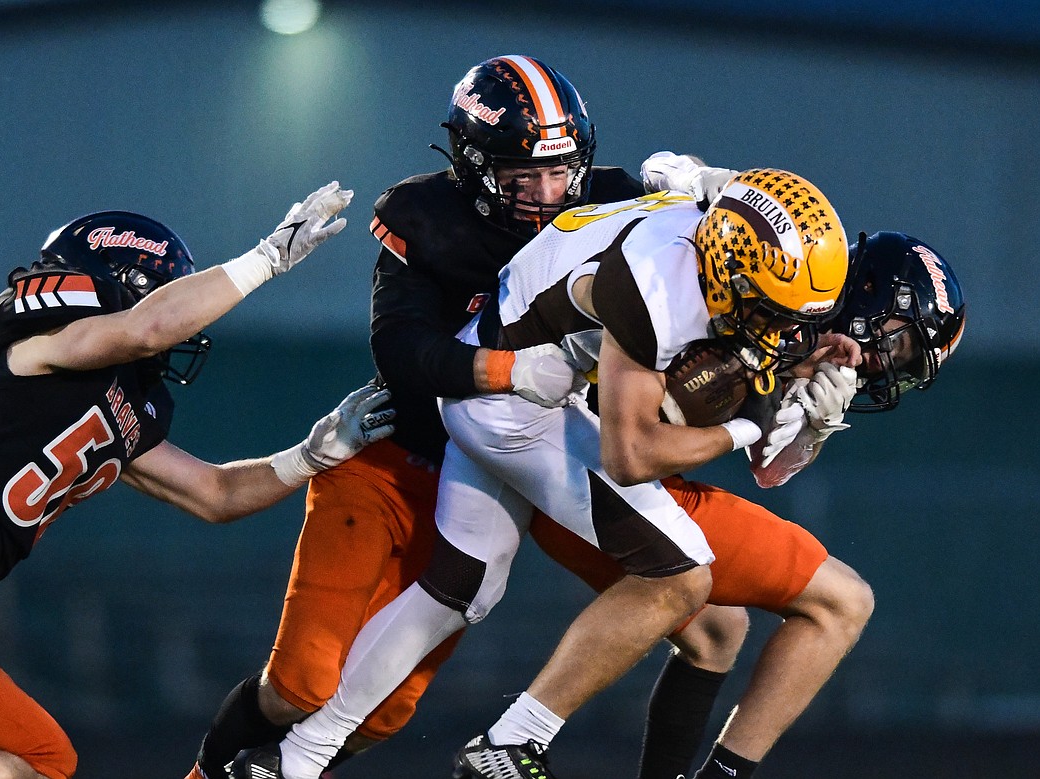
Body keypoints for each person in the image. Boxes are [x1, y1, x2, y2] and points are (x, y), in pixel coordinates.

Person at [185, 55, 735, 779]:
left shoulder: (606, 194)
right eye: (521, 177)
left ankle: (287, 767)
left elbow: (702, 225)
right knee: (300, 686)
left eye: (559, 171)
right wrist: (510, 370)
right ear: (475, 167)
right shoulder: (426, 217)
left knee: (389, 706)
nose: (546, 193)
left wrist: (699, 181)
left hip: (492, 460)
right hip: (393, 454)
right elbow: (402, 349)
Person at [249, 166, 851, 779]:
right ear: (728, 265)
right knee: (682, 576)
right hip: (513, 404)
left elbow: (698, 176)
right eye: (769, 310)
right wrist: (751, 425)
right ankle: (512, 743)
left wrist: (796, 374)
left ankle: (297, 756)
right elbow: (632, 457)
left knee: (461, 587)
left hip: (500, 375)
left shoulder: (704, 221)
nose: (778, 330)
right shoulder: (657, 288)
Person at [0, 183, 398, 779]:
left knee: (39, 760)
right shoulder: (39, 338)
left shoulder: (114, 402)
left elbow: (214, 493)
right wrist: (266, 259)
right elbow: (145, 330)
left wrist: (309, 455)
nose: (179, 332)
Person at [536, 229, 966, 779]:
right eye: (899, 343)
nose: (891, 364)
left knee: (717, 631)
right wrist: (761, 403)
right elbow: (675, 417)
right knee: (843, 603)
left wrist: (811, 427)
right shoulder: (771, 290)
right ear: (876, 298)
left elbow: (768, 465)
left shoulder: (807, 328)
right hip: (598, 465)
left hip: (584, 473)